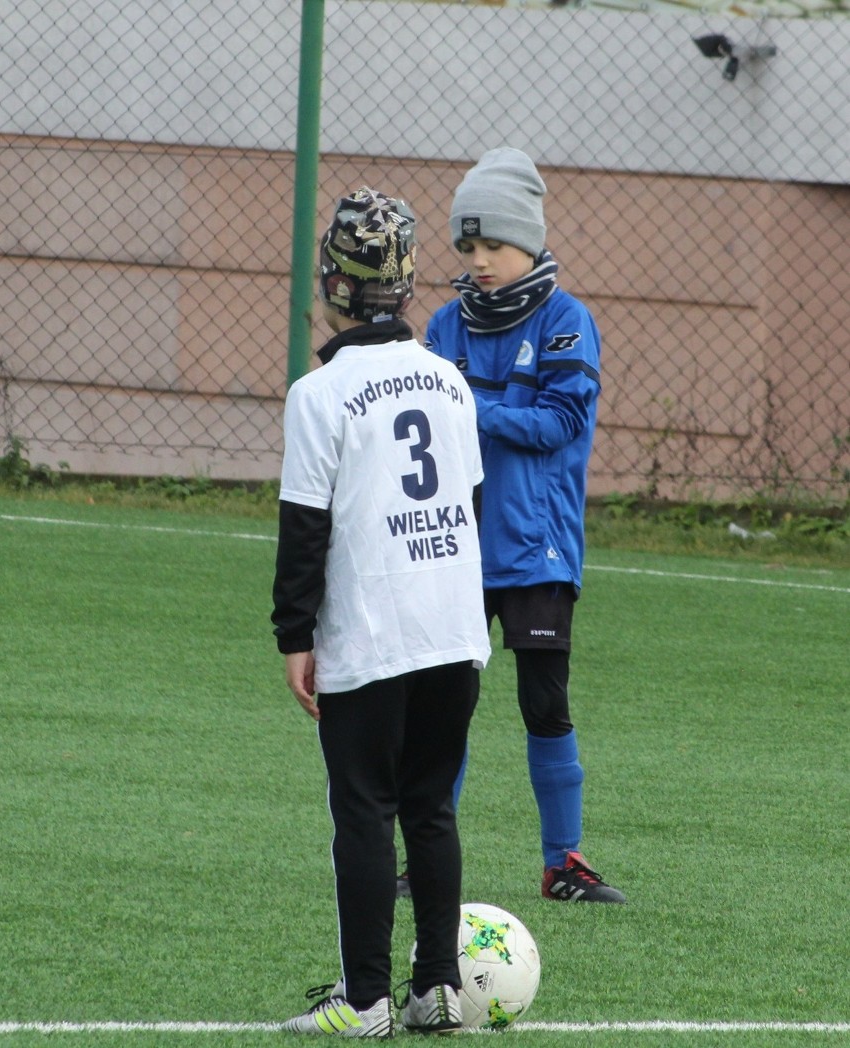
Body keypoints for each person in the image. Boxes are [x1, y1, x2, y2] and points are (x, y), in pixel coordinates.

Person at [271, 187, 491, 1036]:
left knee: (364, 807)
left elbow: (305, 531)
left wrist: (295, 635)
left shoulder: (319, 393)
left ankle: (363, 1000)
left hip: (371, 633)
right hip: (452, 632)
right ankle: (435, 987)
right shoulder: (449, 381)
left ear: (333, 281)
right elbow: (466, 509)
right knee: (432, 805)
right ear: (405, 286)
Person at [422, 147, 625, 905]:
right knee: (445, 705)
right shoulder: (445, 324)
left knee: (546, 704)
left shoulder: (569, 321)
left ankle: (562, 862)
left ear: (531, 242)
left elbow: (560, 422)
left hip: (536, 550)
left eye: (492, 246)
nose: (478, 261)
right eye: (467, 248)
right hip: (455, 548)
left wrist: (472, 410)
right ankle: (424, 855)